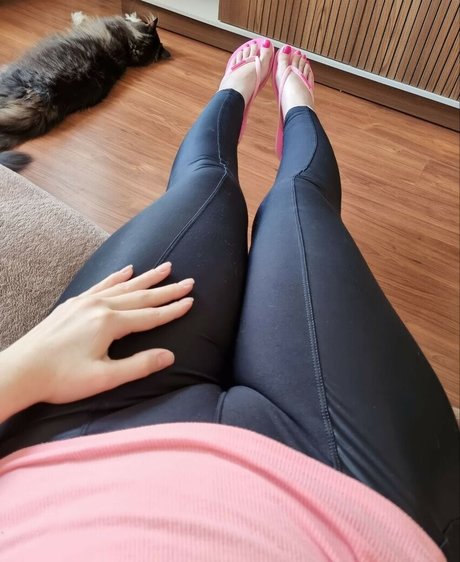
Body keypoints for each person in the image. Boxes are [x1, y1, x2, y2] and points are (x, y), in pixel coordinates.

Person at [0, 39, 458, 561]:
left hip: (61, 457)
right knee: (297, 198)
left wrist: (21, 366)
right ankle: (298, 105)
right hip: (353, 503)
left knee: (209, 183)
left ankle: (235, 92)